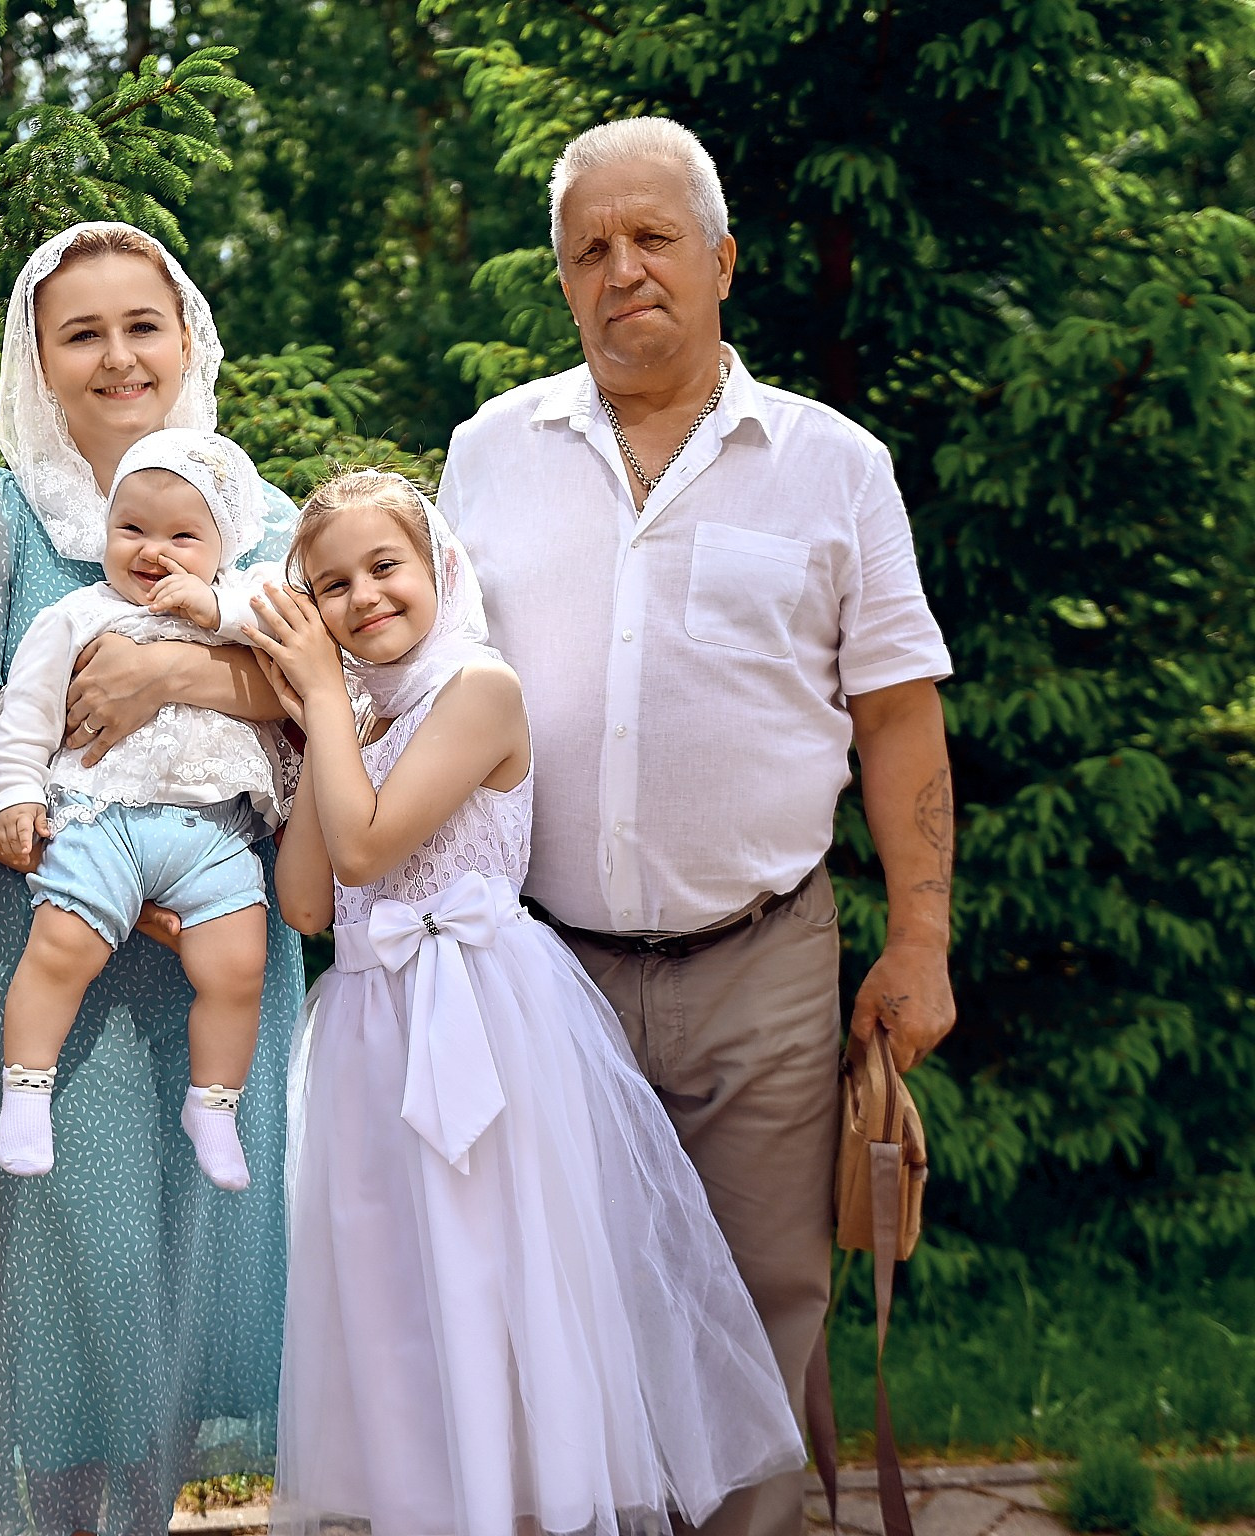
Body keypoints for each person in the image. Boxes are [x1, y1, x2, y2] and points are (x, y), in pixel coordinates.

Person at [439, 116, 957, 1536]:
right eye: (589, 249)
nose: (623, 270)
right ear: (563, 280)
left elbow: (897, 717)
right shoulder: (488, 452)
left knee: (758, 1318)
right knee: (563, 1327)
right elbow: (416, 679)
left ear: (721, 261)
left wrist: (921, 940)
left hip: (761, 965)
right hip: (541, 968)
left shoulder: (832, 464)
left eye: (652, 238)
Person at [249, 468, 803, 1536]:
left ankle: (525, 1509)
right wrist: (328, 720)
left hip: (478, 1019)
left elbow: (367, 845)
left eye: (384, 566)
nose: (363, 597)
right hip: (371, 1031)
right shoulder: (357, 719)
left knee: (491, 1276)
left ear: (438, 566)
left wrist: (321, 702)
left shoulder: (478, 687)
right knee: (396, 1290)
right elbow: (309, 901)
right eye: (330, 585)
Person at [0, 224, 300, 1536]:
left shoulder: (262, 516)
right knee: (77, 1275)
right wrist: (47, 853)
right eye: (80, 332)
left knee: (185, 1263)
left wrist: (172, 672)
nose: (118, 356)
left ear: (187, 336)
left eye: (143, 324)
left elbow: (322, 703)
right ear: (37, 358)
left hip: (219, 937)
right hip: (57, 936)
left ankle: (142, 1521)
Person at [0, 428, 288, 1191]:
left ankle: (212, 1104)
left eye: (183, 537)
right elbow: (26, 711)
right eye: (132, 529)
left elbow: (292, 648)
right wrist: (18, 791)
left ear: (225, 545)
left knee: (238, 966)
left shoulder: (241, 602)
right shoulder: (78, 615)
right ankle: (26, 1091)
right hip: (101, 815)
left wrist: (212, 605)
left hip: (213, 831)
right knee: (60, 948)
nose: (154, 551)